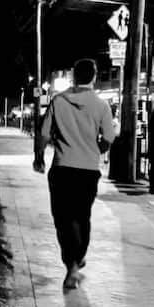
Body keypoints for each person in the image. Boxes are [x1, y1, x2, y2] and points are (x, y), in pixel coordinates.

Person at [39, 59, 115, 290]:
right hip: (88, 171)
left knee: (63, 219)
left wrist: (38, 156)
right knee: (82, 217)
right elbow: (109, 138)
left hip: (62, 168)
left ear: (73, 76)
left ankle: (71, 264)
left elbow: (43, 133)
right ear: (94, 76)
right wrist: (95, 149)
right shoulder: (102, 106)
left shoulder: (58, 101)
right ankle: (77, 259)